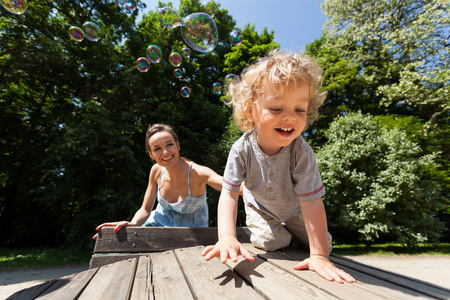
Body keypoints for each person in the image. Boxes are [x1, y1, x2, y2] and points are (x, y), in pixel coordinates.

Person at [201, 50, 356, 284]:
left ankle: (300, 238)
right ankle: (283, 235)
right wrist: (226, 237)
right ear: (250, 110)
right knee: (269, 243)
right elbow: (230, 194)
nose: (290, 117)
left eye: (299, 110)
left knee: (325, 244)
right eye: (276, 109)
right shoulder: (241, 149)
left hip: (296, 209)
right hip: (261, 207)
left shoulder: (301, 152)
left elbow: (312, 202)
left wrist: (319, 255)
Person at [93, 123, 224, 238]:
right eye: (157, 149)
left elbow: (234, 187)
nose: (165, 152)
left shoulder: (198, 173)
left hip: (192, 236)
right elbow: (145, 209)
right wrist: (132, 224)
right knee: (115, 246)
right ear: (151, 155)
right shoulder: (156, 171)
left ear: (177, 145)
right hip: (156, 228)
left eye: (169, 144)